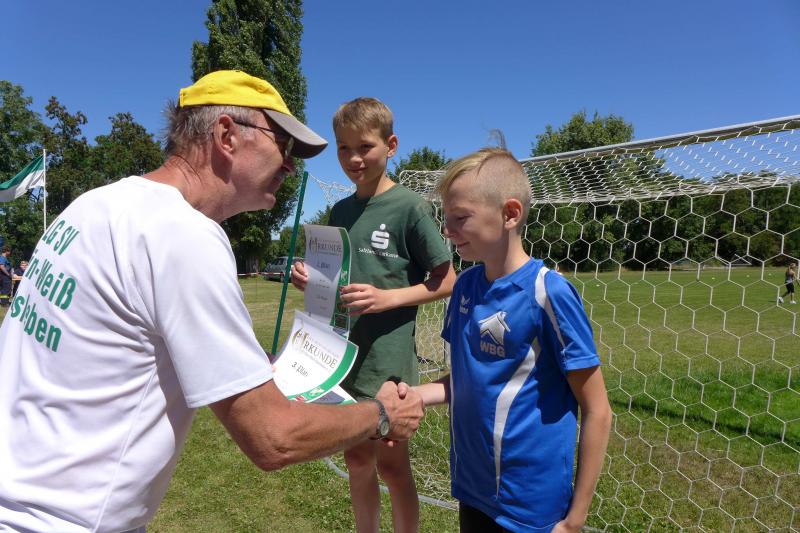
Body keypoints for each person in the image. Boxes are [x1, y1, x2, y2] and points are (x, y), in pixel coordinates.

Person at [0, 71, 425, 532]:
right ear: (227, 135)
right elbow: (274, 438)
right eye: (283, 146)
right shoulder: (183, 234)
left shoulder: (93, 205)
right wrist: (382, 413)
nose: (289, 166)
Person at [412, 148, 612, 532]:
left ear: (510, 214)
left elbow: (597, 409)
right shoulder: (465, 287)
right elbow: (468, 382)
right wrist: (413, 394)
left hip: (530, 507)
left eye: (460, 218)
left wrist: (575, 519)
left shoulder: (547, 293)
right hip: (473, 490)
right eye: (446, 218)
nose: (447, 231)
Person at [291, 97, 455, 533]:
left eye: (364, 146)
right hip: (344, 359)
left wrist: (388, 298)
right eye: (344, 148)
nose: (353, 158)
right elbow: (335, 279)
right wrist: (312, 280)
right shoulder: (340, 212)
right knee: (357, 460)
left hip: (387, 363)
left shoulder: (409, 208)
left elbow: (448, 280)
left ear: (391, 146)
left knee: (393, 467)